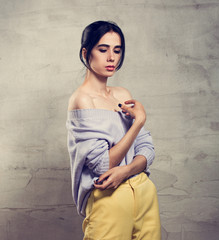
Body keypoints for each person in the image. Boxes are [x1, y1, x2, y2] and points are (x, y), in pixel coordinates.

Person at [66, 20, 161, 240]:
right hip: (109, 199)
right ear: (86, 52)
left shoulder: (122, 94)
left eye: (117, 50)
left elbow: (147, 148)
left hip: (144, 191)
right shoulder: (82, 100)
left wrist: (126, 171)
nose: (111, 58)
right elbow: (102, 165)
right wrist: (138, 122)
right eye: (103, 49)